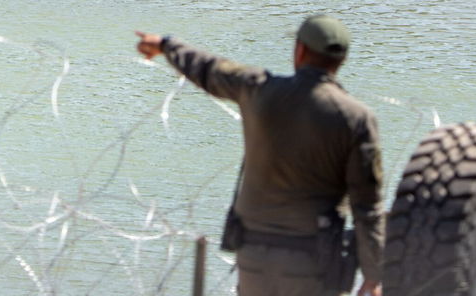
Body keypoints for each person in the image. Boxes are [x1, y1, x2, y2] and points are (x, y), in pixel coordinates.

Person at [135, 15, 384, 296]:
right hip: (314, 263)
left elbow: (209, 69)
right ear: (342, 60)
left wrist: (167, 45)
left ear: (299, 50)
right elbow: (367, 207)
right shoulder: (356, 119)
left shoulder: (259, 90)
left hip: (255, 257)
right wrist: (374, 275)